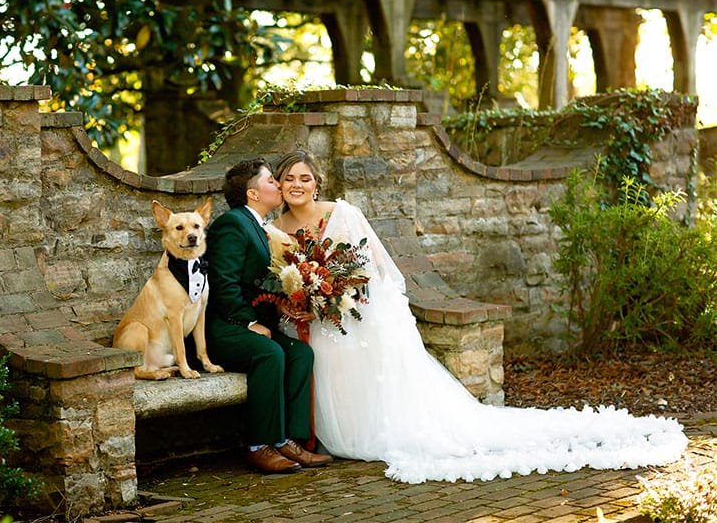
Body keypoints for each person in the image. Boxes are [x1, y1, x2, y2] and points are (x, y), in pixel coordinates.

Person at [268, 148, 688, 484]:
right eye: (289, 179)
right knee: (326, 366)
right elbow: (282, 277)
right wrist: (303, 296)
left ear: (317, 181)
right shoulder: (277, 225)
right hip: (315, 317)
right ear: (279, 185)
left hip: (355, 310)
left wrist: (338, 289)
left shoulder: (342, 212)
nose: (297, 185)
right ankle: (330, 435)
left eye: (305, 178)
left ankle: (371, 432)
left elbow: (372, 264)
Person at [205, 157, 333, 473]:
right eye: (271, 181)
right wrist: (248, 323)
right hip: (226, 328)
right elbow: (224, 283)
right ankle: (258, 444)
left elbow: (263, 280)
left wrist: (282, 303)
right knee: (270, 353)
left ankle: (289, 440)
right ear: (253, 194)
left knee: (301, 353)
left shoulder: (263, 227)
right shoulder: (232, 224)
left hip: (254, 323)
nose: (279, 185)